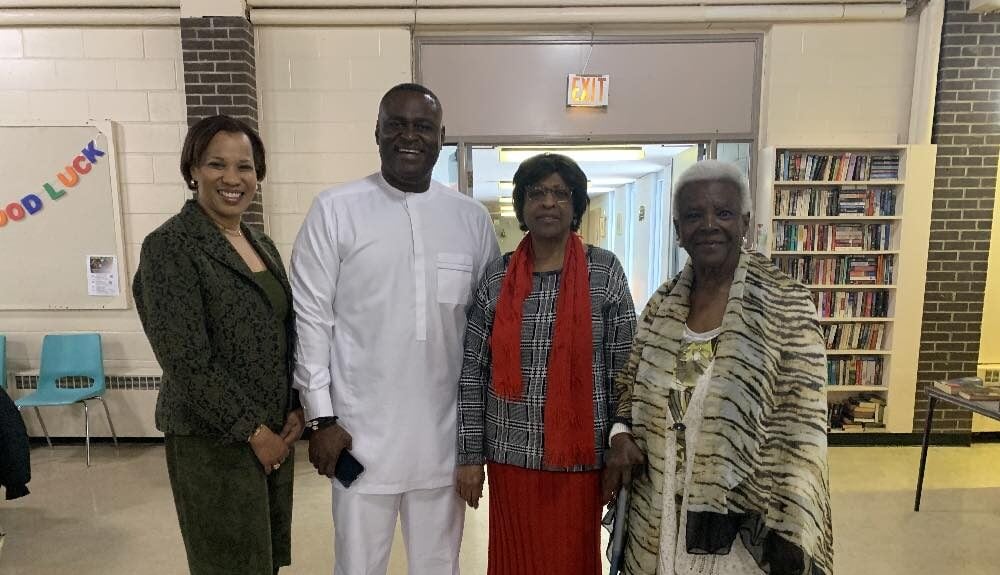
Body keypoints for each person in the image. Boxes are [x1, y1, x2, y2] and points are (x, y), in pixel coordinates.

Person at [291, 83, 499, 575]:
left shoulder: (470, 219)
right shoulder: (335, 209)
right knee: (358, 566)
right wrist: (320, 417)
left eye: (422, 126)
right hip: (357, 437)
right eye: (397, 125)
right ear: (377, 133)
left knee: (439, 565)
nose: (410, 136)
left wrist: (479, 437)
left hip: (443, 440)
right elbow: (312, 319)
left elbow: (488, 332)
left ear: (442, 137)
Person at [604, 160, 834, 575]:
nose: (709, 225)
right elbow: (629, 385)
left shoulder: (786, 306)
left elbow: (803, 432)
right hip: (662, 512)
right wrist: (620, 435)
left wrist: (792, 522)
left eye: (723, 213)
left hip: (745, 518)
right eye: (694, 215)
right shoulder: (660, 306)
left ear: (745, 223)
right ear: (678, 230)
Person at [133, 115, 303, 575]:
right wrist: (254, 431)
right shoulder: (170, 246)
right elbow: (186, 361)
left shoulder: (258, 241)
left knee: (262, 559)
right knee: (226, 563)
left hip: (269, 435)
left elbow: (281, 334)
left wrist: (294, 406)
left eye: (244, 167)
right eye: (216, 164)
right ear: (192, 170)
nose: (232, 179)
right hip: (213, 442)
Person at [455, 153, 637, 575]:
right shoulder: (497, 278)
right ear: (521, 205)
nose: (549, 202)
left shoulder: (604, 272)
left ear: (576, 206)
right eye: (537, 193)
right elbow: (472, 373)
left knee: (571, 562)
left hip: (579, 461)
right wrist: (469, 456)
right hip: (510, 459)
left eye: (561, 193)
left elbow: (627, 371)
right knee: (515, 562)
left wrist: (618, 444)